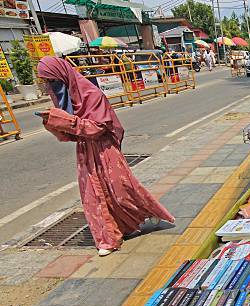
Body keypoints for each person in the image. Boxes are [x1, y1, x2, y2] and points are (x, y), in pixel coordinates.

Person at [36, 57, 174, 257]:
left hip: (105, 151)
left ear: (62, 76)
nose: (49, 86)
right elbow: (69, 135)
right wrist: (51, 122)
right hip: (85, 152)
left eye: (51, 80)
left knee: (121, 192)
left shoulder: (92, 95)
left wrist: (63, 120)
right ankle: (107, 238)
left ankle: (147, 213)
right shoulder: (65, 99)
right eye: (45, 82)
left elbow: (97, 128)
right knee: (93, 197)